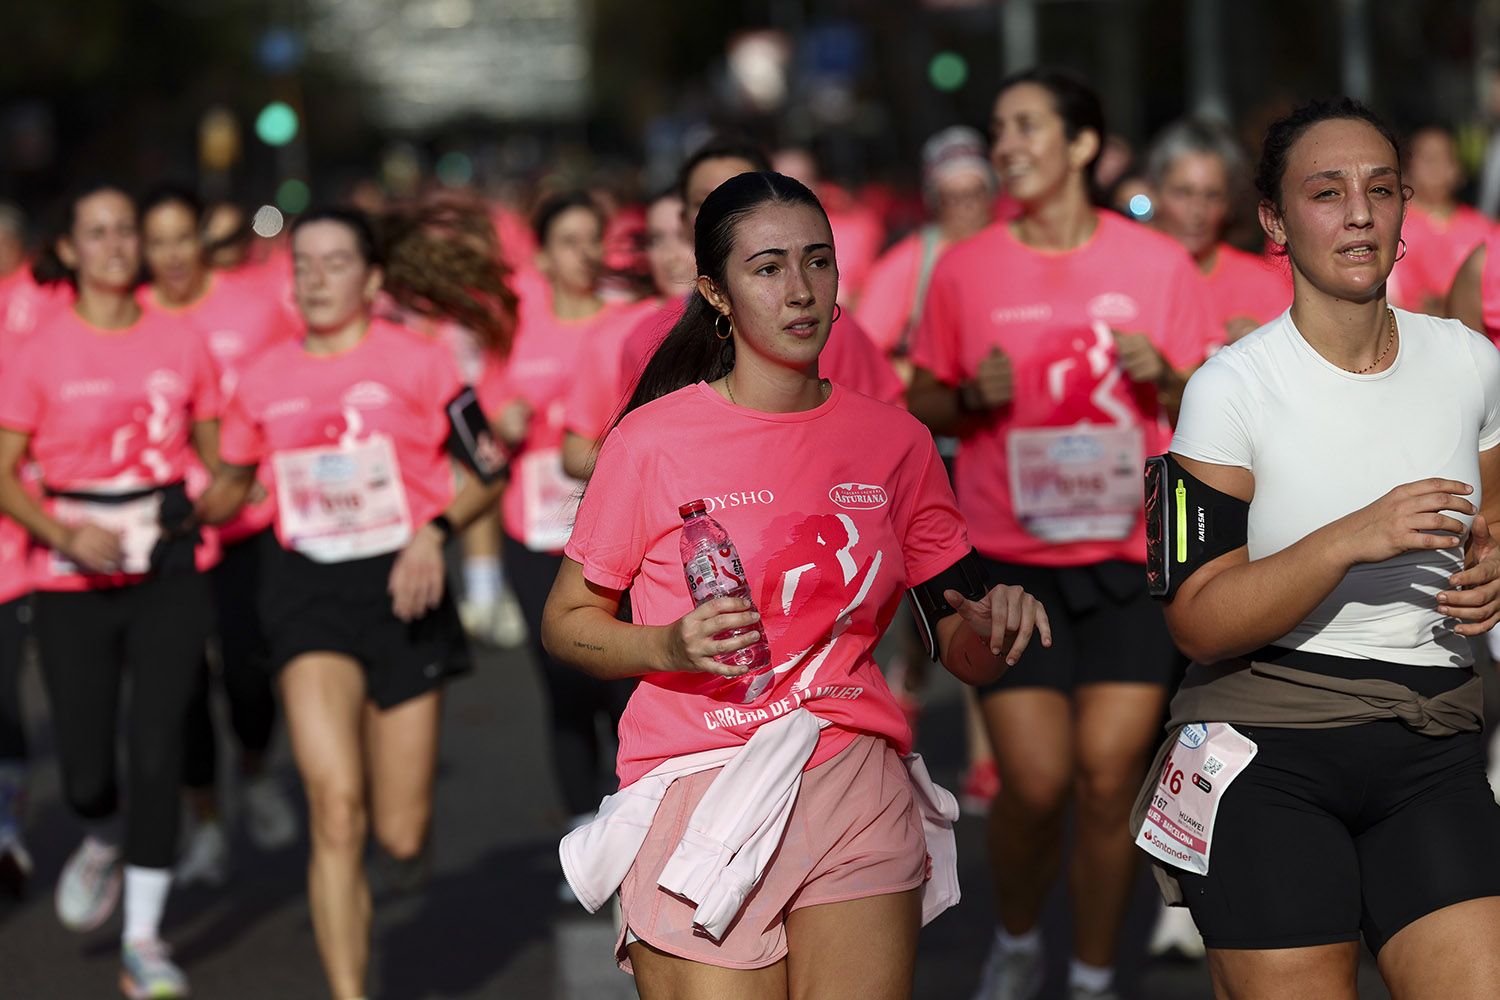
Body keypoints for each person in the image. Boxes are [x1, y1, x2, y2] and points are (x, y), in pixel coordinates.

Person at [542, 169, 1050, 999]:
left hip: (851, 773)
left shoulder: (895, 441)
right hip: (702, 778)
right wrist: (666, 643)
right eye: (768, 268)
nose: (801, 290)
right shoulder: (650, 442)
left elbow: (959, 641)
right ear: (716, 291)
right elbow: (567, 621)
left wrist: (995, 629)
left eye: (818, 262)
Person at [1141, 96, 1500, 1000]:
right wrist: (1351, 537)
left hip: (1432, 737)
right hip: (1268, 740)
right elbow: (1196, 619)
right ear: (1274, 220)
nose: (1359, 214)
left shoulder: (1467, 361)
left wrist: (1496, 561)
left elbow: (1493, 516)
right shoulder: (1229, 389)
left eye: (1381, 190)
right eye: (1326, 192)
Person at [906, 69, 1215, 1000]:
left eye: (1026, 127)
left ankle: (1087, 973)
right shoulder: (966, 267)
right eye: (998, 129)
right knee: (1035, 784)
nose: (1006, 146)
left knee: (1108, 774)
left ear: (1082, 144)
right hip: (1011, 568)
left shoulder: (1156, 263)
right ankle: (1014, 935)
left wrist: (1165, 374)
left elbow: (1214, 398)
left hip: (1129, 559)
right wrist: (968, 398)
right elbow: (918, 395)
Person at [197, 204, 510, 1000]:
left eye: (337, 263)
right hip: (305, 593)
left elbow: (489, 469)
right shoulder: (262, 379)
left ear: (372, 279)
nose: (317, 278)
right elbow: (232, 478)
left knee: (397, 832)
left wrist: (433, 533)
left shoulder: (424, 362)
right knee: (335, 811)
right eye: (304, 264)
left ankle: (408, 850)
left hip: (409, 584)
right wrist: (203, 497)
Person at [0, 183, 223, 999]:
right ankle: (98, 835)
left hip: (166, 569)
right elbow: (4, 471)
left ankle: (143, 939)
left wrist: (220, 491)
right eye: (96, 232)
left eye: (125, 230)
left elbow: (216, 450)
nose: (116, 244)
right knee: (90, 766)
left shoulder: (182, 339)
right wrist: (62, 532)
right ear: (69, 250)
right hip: (70, 572)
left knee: (158, 748)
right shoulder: (37, 351)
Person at [138, 185, 302, 887]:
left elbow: (293, 389)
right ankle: (205, 821)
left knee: (247, 670)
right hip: (165, 530)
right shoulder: (134, 320)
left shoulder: (254, 307)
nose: (174, 255)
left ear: (202, 239)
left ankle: (257, 767)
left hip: (249, 523)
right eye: (159, 242)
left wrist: (269, 470)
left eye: (184, 237)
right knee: (180, 685)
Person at [481, 191, 637, 855]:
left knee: (623, 682)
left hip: (617, 533)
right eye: (567, 241)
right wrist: (502, 425)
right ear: (541, 254)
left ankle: (633, 819)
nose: (583, 254)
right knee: (563, 680)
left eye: (591, 239)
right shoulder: (516, 331)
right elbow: (480, 429)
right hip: (536, 529)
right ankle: (582, 829)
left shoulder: (629, 326)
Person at [617, 135, 905, 408]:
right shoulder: (646, 341)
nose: (726, 214)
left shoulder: (832, 330)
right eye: (705, 201)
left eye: (745, 197)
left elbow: (886, 433)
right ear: (683, 221)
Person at [562, 189, 695, 480]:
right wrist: (640, 474)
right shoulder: (612, 336)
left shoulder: (742, 321)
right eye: (658, 240)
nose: (671, 256)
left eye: (685, 237)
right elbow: (574, 450)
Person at [856, 127, 998, 377]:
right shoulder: (907, 264)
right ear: (935, 200)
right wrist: (912, 378)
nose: (967, 207)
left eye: (976, 193)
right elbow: (863, 355)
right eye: (953, 197)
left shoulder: (1008, 249)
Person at [1146, 118, 1291, 346]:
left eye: (1212, 195)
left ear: (1230, 203)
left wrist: (1265, 348)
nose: (1197, 211)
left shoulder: (1263, 285)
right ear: (1155, 192)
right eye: (1183, 193)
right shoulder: (1126, 274)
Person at [1389, 125, 1490, 316]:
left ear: (1458, 170)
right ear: (1407, 170)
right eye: (1427, 159)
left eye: (1444, 158)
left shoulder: (1483, 229)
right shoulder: (1394, 227)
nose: (1436, 167)